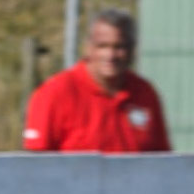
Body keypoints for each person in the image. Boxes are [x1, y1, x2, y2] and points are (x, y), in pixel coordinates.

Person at [23, 9, 170, 153]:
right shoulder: (54, 93)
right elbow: (36, 164)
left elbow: (162, 160)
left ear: (132, 50)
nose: (110, 55)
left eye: (119, 47)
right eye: (102, 46)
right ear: (88, 48)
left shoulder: (145, 93)